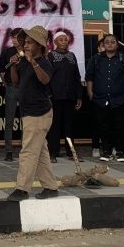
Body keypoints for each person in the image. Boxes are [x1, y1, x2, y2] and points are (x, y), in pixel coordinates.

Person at [6, 25, 59, 201]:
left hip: (39, 112)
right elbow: (15, 82)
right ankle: (51, 187)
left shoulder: (45, 62)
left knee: (28, 151)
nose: (25, 45)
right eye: (25, 42)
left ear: (39, 45)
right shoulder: (22, 61)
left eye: (29, 42)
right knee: (41, 152)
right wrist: (14, 66)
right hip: (28, 111)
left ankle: (22, 189)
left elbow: (45, 80)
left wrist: (33, 62)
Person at [86, 34, 124, 162]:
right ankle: (107, 152)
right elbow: (89, 78)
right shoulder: (95, 59)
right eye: (107, 42)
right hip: (100, 98)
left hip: (119, 99)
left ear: (117, 45)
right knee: (103, 126)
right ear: (103, 45)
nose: (109, 44)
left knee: (120, 125)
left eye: (112, 42)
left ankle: (119, 152)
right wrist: (90, 93)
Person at [47, 31, 82, 163]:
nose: (64, 42)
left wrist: (78, 96)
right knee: (54, 126)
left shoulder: (72, 56)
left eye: (66, 39)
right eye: (61, 40)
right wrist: (49, 95)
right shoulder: (51, 56)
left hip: (69, 96)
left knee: (69, 126)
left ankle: (71, 152)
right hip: (55, 97)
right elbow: (47, 77)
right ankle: (53, 153)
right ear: (55, 42)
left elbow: (77, 77)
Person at [0, 28, 25, 162]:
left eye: (17, 37)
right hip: (11, 88)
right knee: (9, 121)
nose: (15, 40)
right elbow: (2, 70)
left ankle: (25, 150)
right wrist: (6, 83)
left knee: (26, 121)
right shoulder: (7, 52)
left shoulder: (28, 51)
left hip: (26, 89)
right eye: (13, 37)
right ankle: (8, 151)